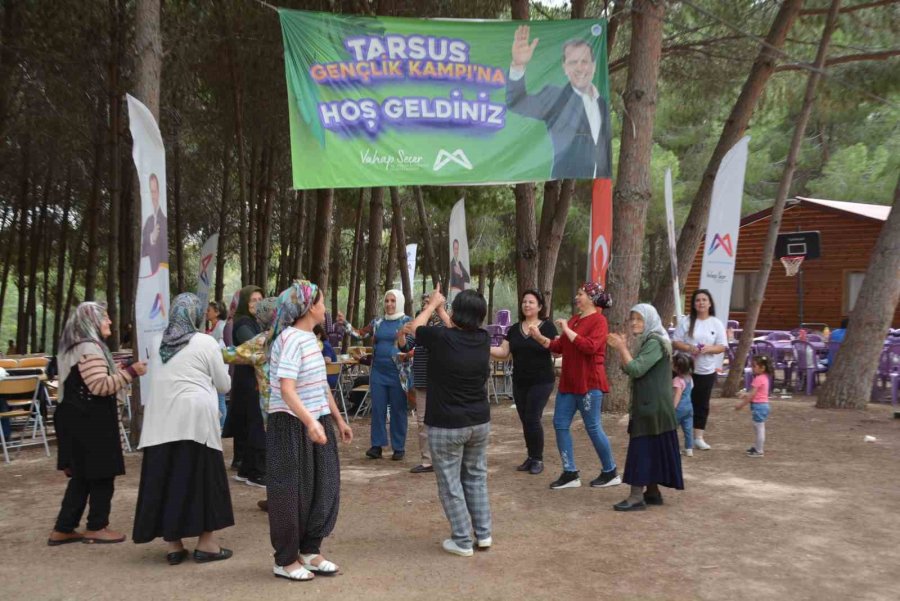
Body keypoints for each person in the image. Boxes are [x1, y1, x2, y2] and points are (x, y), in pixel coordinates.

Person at [132, 293, 234, 564]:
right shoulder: (205, 341)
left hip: (160, 421)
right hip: (195, 420)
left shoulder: (157, 341)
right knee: (202, 480)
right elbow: (223, 384)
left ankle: (173, 544)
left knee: (166, 478)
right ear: (197, 314)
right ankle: (206, 544)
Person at [266, 280, 353, 581]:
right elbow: (286, 389)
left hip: (315, 421)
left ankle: (309, 551)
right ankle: (285, 559)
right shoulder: (290, 339)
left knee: (323, 487)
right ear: (309, 307)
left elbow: (319, 386)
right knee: (291, 493)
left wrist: (338, 419)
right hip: (291, 424)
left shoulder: (310, 339)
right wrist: (310, 422)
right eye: (323, 302)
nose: (325, 308)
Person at [48, 302, 147, 546]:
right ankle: (97, 526)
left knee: (82, 476)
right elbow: (100, 386)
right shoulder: (89, 348)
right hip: (90, 423)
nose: (110, 322)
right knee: (102, 474)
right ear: (90, 320)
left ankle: (64, 527)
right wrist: (131, 373)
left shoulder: (75, 346)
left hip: (77, 420)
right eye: (104, 317)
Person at [407, 285, 492, 557]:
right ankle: (484, 534)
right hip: (478, 422)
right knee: (476, 478)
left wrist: (432, 305)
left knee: (450, 483)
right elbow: (454, 332)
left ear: (459, 313)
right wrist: (443, 310)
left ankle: (462, 540)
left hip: (446, 424)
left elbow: (413, 328)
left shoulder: (441, 338)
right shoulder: (481, 339)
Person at [530, 282, 620, 490]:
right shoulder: (575, 320)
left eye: (580, 294)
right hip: (569, 384)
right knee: (560, 424)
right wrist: (538, 337)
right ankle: (570, 472)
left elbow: (590, 347)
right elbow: (558, 347)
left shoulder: (599, 321)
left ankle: (610, 471)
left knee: (593, 427)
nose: (577, 297)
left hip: (589, 383)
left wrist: (568, 330)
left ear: (591, 297)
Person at [506, 27, 612, 180]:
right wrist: (517, 65)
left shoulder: (602, 103)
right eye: (573, 62)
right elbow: (517, 103)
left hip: (600, 190)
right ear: (565, 67)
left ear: (594, 66)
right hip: (566, 188)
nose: (580, 67)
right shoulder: (554, 96)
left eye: (584, 61)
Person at [607, 303, 684, 512]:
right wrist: (625, 352)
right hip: (655, 405)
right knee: (654, 448)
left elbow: (636, 369)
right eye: (632, 318)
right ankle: (652, 491)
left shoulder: (655, 342)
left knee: (641, 449)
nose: (634, 322)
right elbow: (632, 367)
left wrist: (622, 348)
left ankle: (636, 497)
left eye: (639, 319)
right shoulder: (651, 340)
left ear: (650, 320)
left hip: (651, 406)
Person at [490, 289, 557, 475]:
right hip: (519, 382)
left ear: (540, 306)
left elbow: (557, 350)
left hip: (542, 381)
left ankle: (538, 459)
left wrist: (539, 337)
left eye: (531, 302)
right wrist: (482, 346)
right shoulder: (514, 329)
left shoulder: (548, 327)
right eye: (524, 302)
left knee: (532, 418)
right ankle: (531, 456)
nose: (527, 305)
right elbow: (503, 353)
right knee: (525, 420)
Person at [222, 296, 278, 514]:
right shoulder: (290, 337)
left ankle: (280, 499)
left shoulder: (263, 341)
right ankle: (278, 497)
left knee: (275, 453)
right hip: (292, 404)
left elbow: (231, 355)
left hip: (270, 405)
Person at [347, 290, 412, 461]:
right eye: (386, 301)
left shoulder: (407, 322)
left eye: (393, 301)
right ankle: (377, 446)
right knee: (378, 409)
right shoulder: (378, 322)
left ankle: (399, 447)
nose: (389, 304)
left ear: (399, 302)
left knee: (398, 410)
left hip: (398, 373)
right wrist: (344, 324)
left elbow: (412, 346)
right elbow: (360, 334)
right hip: (378, 372)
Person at [672, 289, 727, 450]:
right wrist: (689, 348)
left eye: (704, 300)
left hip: (706, 370)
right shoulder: (687, 321)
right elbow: (676, 342)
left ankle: (698, 437)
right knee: (680, 401)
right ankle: (673, 434)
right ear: (694, 304)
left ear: (710, 303)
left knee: (701, 403)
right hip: (685, 370)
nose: (701, 303)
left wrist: (709, 349)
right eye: (698, 300)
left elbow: (722, 346)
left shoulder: (716, 323)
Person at [222, 285, 265, 486]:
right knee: (254, 424)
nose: (257, 304)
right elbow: (254, 344)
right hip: (248, 381)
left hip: (251, 379)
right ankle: (255, 472)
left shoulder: (255, 322)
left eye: (260, 300)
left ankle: (246, 469)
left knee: (251, 425)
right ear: (245, 303)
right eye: (253, 300)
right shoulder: (242, 323)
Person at [405, 293, 450, 474]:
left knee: (444, 421)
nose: (426, 306)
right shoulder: (418, 324)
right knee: (423, 422)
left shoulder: (445, 325)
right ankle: (427, 461)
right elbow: (405, 346)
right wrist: (401, 335)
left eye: (429, 303)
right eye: (424, 303)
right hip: (422, 379)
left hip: (441, 381)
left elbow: (454, 331)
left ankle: (445, 459)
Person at [735, 356, 773, 458]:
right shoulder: (764, 377)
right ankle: (757, 447)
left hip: (759, 407)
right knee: (758, 428)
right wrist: (744, 395)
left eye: (754, 366)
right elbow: (754, 393)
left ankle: (759, 450)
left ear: (762, 367)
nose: (752, 368)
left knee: (759, 428)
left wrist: (741, 405)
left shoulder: (758, 379)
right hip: (762, 406)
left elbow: (752, 396)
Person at [140, 173, 168, 275]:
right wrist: (151, 238)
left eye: (154, 192)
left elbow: (164, 257)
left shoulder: (164, 222)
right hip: (147, 279)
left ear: (159, 193)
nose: (152, 196)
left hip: (159, 279)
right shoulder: (148, 222)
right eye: (150, 192)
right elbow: (142, 252)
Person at [206, 301, 228, 427]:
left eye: (209, 310)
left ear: (217, 312)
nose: (206, 312)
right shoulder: (213, 328)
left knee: (220, 400)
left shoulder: (221, 328)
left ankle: (221, 427)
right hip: (212, 369)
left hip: (220, 368)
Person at [672, 354, 694, 457]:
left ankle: (675, 449)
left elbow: (678, 395)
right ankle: (689, 448)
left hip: (679, 408)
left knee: (672, 429)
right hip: (689, 407)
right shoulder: (689, 378)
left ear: (677, 367)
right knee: (688, 429)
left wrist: (673, 408)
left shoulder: (677, 380)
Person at [314, 324, 339, 389]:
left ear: (318, 335)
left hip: (328, 378)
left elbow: (328, 360)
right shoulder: (322, 344)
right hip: (326, 378)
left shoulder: (325, 345)